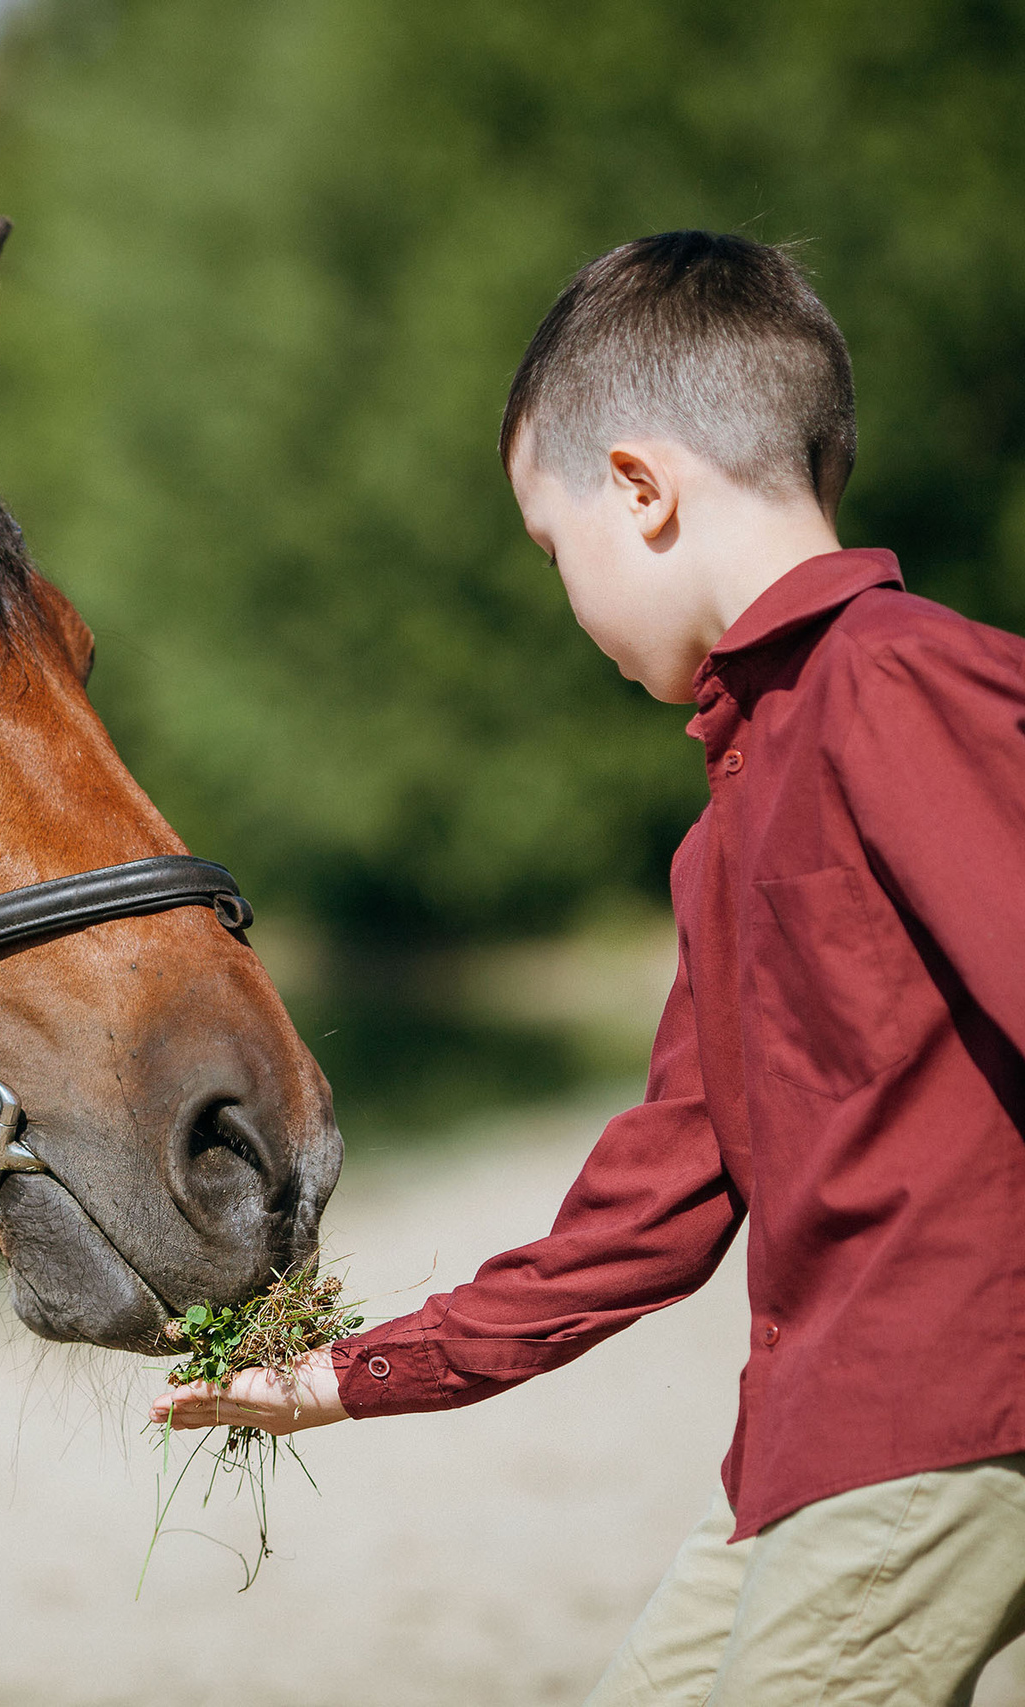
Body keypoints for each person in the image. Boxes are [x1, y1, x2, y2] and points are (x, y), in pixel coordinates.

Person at [152, 230, 1025, 1703]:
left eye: (556, 552)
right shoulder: (731, 814)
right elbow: (653, 1210)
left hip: (948, 1407)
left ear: (641, 489)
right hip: (806, 1451)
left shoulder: (900, 678)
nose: (567, 605)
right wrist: (347, 1376)